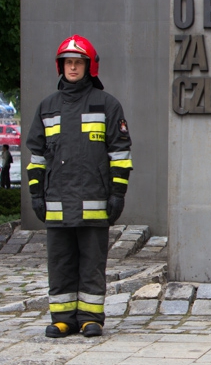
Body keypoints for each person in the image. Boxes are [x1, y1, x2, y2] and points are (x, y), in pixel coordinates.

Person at [26, 35, 133, 339]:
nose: (73, 67)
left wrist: (117, 194)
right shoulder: (47, 107)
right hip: (58, 201)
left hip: (94, 200)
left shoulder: (107, 105)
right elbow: (36, 156)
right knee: (60, 262)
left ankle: (91, 318)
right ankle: (62, 318)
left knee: (91, 263)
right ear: (61, 66)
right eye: (68, 62)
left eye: (78, 62)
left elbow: (121, 154)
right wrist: (36, 193)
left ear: (89, 67)